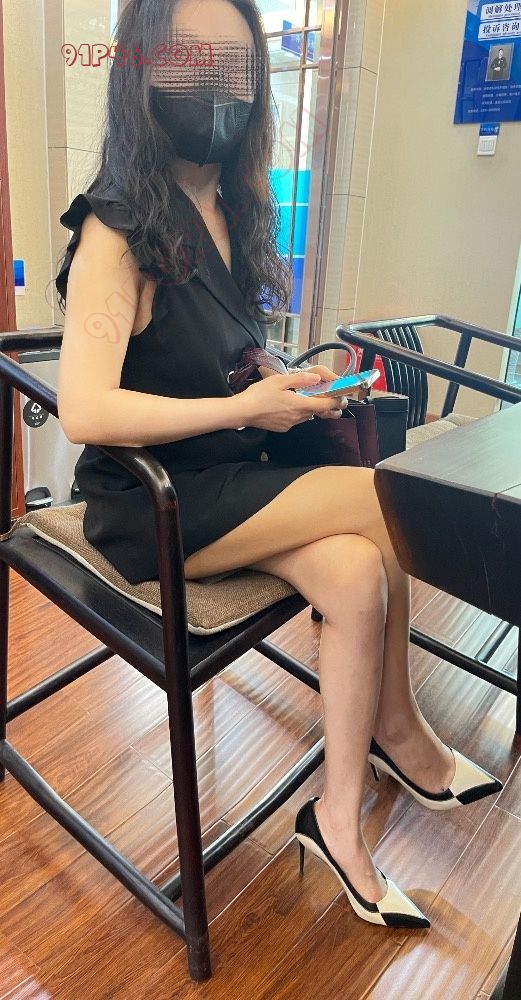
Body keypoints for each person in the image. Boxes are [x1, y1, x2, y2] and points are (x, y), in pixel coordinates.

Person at [56, 0, 503, 930]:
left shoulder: (230, 210)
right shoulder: (116, 226)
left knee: (354, 570)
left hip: (233, 474)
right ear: (142, 72)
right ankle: (399, 729)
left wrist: (282, 380)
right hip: (152, 500)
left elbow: (211, 356)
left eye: (234, 66)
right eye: (190, 61)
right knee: (380, 502)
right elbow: (87, 410)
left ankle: (335, 820)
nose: (215, 87)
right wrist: (244, 407)